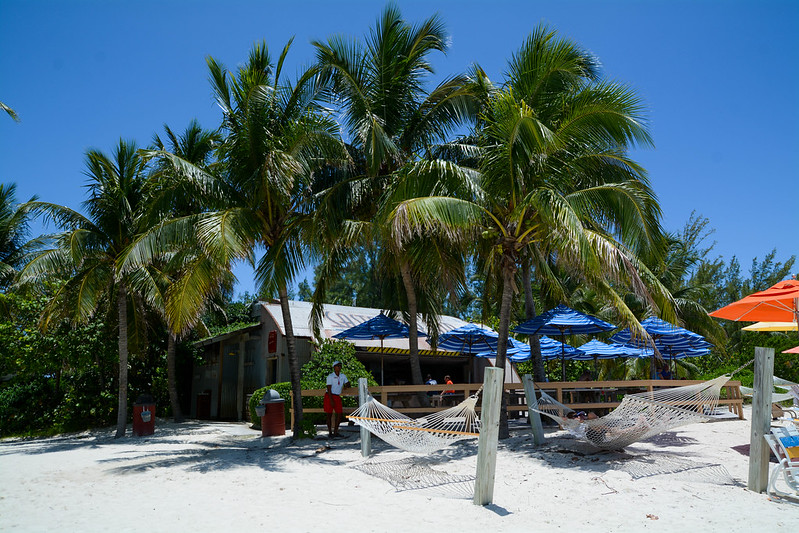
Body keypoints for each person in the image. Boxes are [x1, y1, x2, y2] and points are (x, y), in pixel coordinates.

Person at [325, 361, 350, 439]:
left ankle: (335, 432)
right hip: (329, 396)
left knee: (339, 414)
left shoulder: (343, 376)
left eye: (340, 366)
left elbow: (348, 383)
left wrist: (346, 386)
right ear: (334, 367)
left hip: (337, 396)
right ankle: (330, 432)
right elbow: (328, 389)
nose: (339, 367)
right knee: (329, 414)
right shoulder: (330, 376)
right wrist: (331, 400)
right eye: (337, 366)